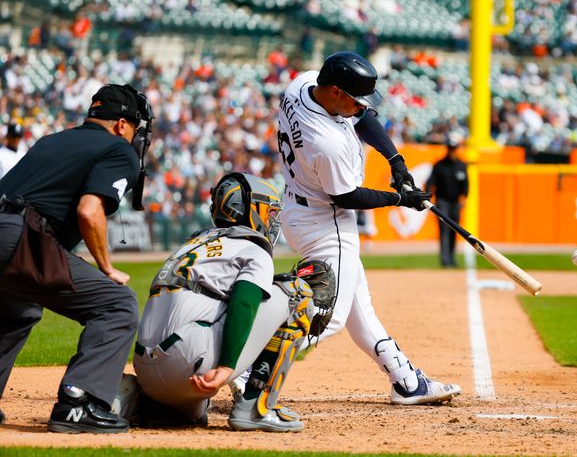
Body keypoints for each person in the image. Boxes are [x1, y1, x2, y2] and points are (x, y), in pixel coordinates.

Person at [276, 51, 461, 405]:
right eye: (354, 99)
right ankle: (246, 370)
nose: (360, 106)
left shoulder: (303, 82)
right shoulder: (325, 142)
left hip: (300, 209)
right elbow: (346, 195)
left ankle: (406, 380)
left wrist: (397, 162)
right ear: (333, 91)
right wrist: (399, 200)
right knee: (328, 317)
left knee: (360, 306)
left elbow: (362, 118)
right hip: (326, 223)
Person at [122, 173, 335, 432]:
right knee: (297, 294)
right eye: (268, 211)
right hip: (190, 366)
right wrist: (225, 368)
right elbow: (244, 303)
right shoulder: (253, 249)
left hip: (148, 373)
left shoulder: (192, 244)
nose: (271, 219)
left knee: (191, 412)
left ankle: (135, 399)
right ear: (250, 209)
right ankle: (256, 408)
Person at [0, 83, 153, 433]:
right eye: (135, 127)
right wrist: (106, 266)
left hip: (8, 229)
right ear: (120, 124)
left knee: (17, 309)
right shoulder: (118, 148)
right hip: (20, 237)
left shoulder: (52, 139)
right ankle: (78, 403)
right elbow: (89, 211)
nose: (136, 136)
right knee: (118, 305)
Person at [425, 138, 469, 268]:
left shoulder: (462, 165)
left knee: (454, 231)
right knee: (444, 230)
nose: (452, 151)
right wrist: (428, 198)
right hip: (442, 202)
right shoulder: (439, 165)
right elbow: (430, 182)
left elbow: (466, 185)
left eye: (454, 149)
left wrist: (464, 198)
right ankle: (445, 260)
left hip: (455, 203)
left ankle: (452, 258)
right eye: (450, 148)